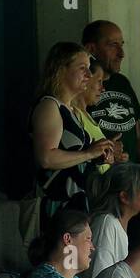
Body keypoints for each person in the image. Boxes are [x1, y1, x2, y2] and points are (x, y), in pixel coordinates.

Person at [30, 42, 111, 220]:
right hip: (56, 208)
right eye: (82, 68)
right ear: (61, 70)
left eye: (89, 69)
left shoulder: (72, 110)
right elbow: (46, 158)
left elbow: (75, 157)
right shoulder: (50, 106)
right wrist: (89, 154)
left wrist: (98, 155)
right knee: (64, 249)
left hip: (76, 206)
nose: (88, 75)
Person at [83, 19, 140, 164]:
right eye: (113, 45)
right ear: (91, 49)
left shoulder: (122, 83)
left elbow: (138, 136)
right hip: (99, 181)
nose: (121, 54)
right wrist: (106, 156)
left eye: (121, 45)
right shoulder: (82, 88)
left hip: (130, 180)